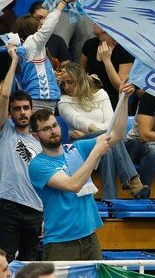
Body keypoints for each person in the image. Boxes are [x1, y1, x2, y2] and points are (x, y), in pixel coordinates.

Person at [28, 102, 128, 261]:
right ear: (35, 135)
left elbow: (118, 135)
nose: (53, 131)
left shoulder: (77, 148)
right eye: (46, 129)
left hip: (90, 237)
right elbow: (72, 185)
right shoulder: (38, 165)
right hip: (60, 242)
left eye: (54, 125)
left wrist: (124, 100)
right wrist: (96, 152)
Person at [58, 61, 146, 199]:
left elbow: (111, 123)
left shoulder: (101, 94)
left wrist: (90, 132)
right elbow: (85, 124)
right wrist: (92, 132)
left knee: (107, 148)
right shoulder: (63, 102)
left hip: (102, 142)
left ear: (81, 80)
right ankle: (133, 179)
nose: (67, 87)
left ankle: (110, 199)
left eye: (70, 82)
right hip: (79, 147)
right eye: (63, 84)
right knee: (106, 138)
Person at [0, 44, 45, 261]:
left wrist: (45, 217)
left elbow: (46, 181)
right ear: (11, 112)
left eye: (26, 108)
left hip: (36, 210)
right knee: (5, 263)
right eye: (17, 108)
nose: (22, 112)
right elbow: (4, 95)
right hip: (9, 207)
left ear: (32, 110)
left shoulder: (42, 143)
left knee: (30, 266)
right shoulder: (5, 131)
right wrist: (14, 60)